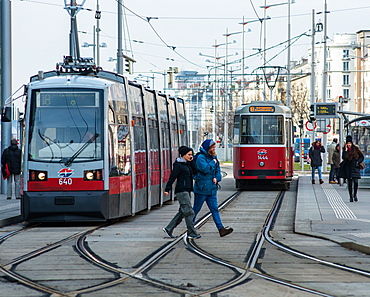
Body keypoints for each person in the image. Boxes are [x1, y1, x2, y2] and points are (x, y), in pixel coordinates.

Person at [193, 139, 233, 237]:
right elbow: (204, 169)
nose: (214, 149)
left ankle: (221, 229)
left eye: (215, 147)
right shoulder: (200, 157)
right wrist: (213, 162)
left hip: (212, 189)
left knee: (215, 209)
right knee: (196, 209)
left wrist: (217, 178)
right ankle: (191, 228)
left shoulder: (213, 158)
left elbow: (218, 171)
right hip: (202, 189)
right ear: (208, 148)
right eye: (213, 148)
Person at [162, 146, 201, 239]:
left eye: (192, 155)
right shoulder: (178, 165)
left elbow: (196, 172)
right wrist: (167, 189)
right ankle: (192, 233)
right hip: (181, 191)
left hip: (187, 190)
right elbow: (172, 177)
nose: (191, 156)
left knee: (182, 212)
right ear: (183, 155)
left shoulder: (188, 164)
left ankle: (169, 228)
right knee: (189, 212)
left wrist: (191, 161)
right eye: (189, 155)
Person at [341, 136, 364, 202]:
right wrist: (345, 150)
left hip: (355, 167)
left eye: (350, 143)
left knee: (356, 181)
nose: (349, 144)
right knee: (350, 182)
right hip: (348, 168)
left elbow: (361, 157)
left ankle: (355, 195)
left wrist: (358, 162)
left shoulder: (355, 149)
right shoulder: (345, 150)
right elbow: (343, 157)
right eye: (348, 143)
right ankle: (351, 196)